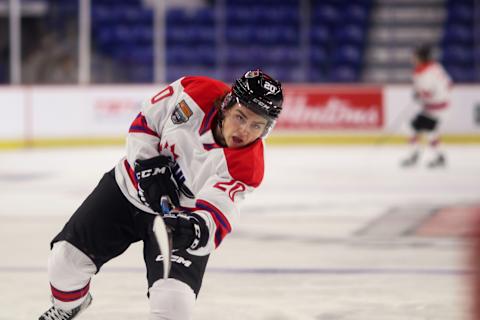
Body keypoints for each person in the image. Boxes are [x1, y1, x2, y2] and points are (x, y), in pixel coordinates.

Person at [38, 69, 284, 320]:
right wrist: (147, 165)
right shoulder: (195, 92)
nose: (244, 131)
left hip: (177, 221)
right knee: (64, 262)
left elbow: (219, 212)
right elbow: (146, 122)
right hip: (127, 191)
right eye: (240, 117)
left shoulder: (247, 165)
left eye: (257, 125)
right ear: (227, 105)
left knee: (174, 305)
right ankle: (69, 307)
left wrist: (194, 228)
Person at [401, 44, 452, 168]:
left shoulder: (422, 73)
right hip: (440, 106)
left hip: (434, 108)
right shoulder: (436, 66)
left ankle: (416, 154)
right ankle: (437, 156)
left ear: (420, 57)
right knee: (429, 131)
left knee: (412, 128)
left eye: (415, 56)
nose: (412, 58)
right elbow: (449, 83)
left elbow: (426, 92)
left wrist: (418, 94)